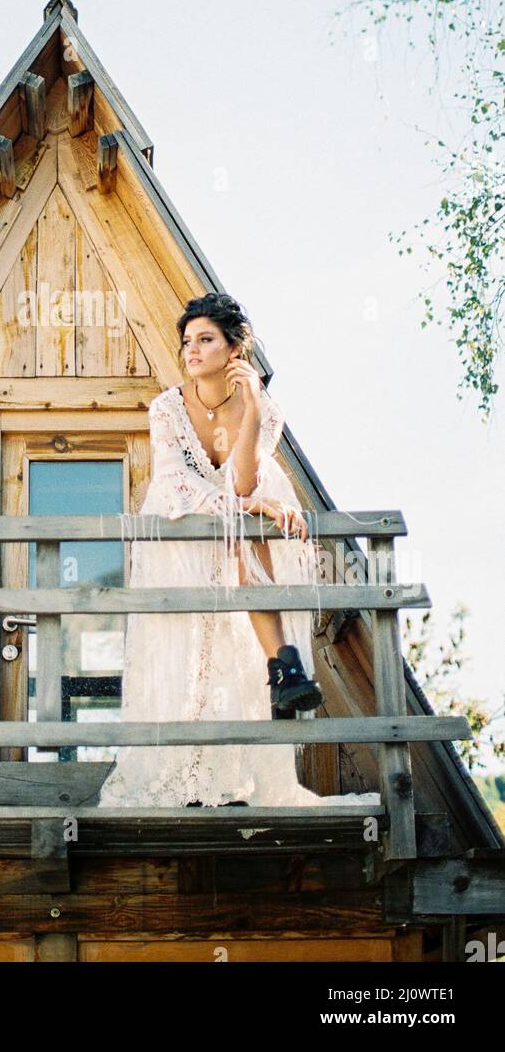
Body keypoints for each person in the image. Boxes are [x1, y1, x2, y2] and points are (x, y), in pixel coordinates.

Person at [97, 292, 381, 810]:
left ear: (233, 350)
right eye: (187, 341)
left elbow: (247, 477)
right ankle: (272, 678)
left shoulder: (263, 408)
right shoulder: (165, 407)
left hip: (234, 524)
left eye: (205, 340)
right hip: (181, 522)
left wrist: (249, 409)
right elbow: (176, 480)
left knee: (243, 559)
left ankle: (260, 711)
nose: (192, 350)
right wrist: (248, 507)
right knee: (183, 640)